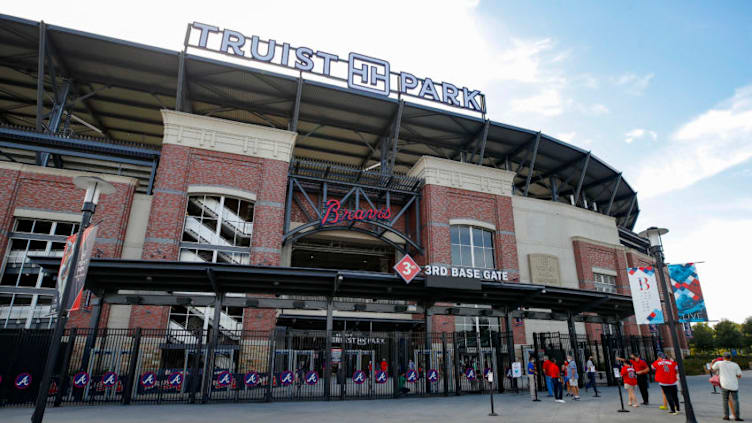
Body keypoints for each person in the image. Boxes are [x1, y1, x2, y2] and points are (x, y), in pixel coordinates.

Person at [712, 351, 743, 421]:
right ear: (730, 358)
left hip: (724, 385)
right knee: (735, 400)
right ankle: (737, 417)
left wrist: (712, 362)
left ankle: (726, 416)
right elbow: (739, 375)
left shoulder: (719, 363)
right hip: (734, 385)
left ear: (723, 357)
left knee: (725, 400)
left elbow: (712, 369)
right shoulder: (735, 365)